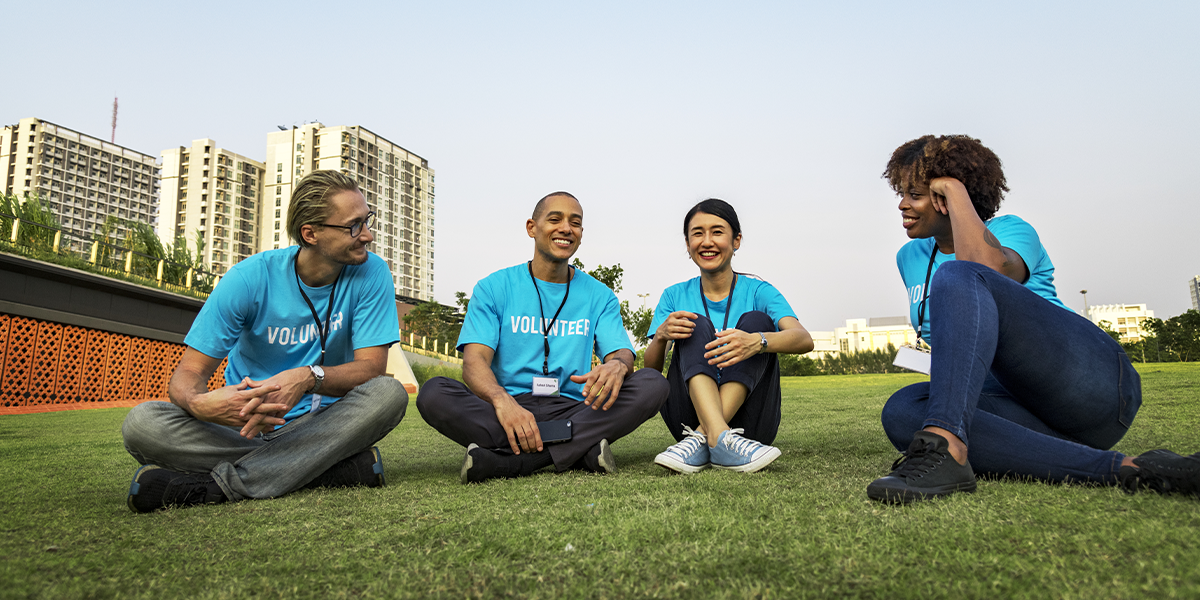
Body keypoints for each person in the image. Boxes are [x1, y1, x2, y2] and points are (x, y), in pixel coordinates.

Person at [869, 134, 1200, 504]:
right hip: (1023, 413)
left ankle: (945, 448)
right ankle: (1132, 468)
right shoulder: (909, 257)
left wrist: (953, 187)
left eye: (915, 194)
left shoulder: (1011, 230)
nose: (901, 204)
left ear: (948, 197)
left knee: (959, 275)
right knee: (902, 411)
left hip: (1088, 386)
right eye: (901, 192)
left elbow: (983, 268)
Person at [122, 170, 408, 512]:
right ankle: (322, 469)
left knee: (388, 394)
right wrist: (200, 404)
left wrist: (306, 378)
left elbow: (371, 369)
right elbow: (188, 374)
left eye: (366, 220)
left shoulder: (371, 272)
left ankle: (215, 487)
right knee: (143, 424)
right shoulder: (248, 279)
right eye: (353, 226)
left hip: (325, 425)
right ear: (310, 233)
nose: (367, 235)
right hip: (245, 427)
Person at [417, 191, 669, 483]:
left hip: (575, 406)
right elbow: (474, 362)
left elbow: (621, 352)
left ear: (581, 234)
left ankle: (511, 463)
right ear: (531, 228)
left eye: (575, 223)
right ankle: (580, 448)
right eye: (555, 219)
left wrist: (618, 365)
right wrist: (502, 401)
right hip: (508, 408)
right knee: (434, 393)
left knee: (653, 384)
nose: (566, 228)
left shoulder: (599, 296)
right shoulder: (493, 287)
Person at [645, 199, 814, 474]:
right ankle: (716, 436)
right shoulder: (674, 295)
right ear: (688, 246)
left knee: (758, 322)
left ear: (736, 241)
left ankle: (706, 436)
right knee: (695, 323)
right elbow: (651, 372)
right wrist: (661, 337)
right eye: (697, 234)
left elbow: (803, 339)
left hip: (751, 421)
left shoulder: (760, 290)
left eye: (718, 232)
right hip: (686, 415)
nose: (707, 241)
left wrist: (757, 341)